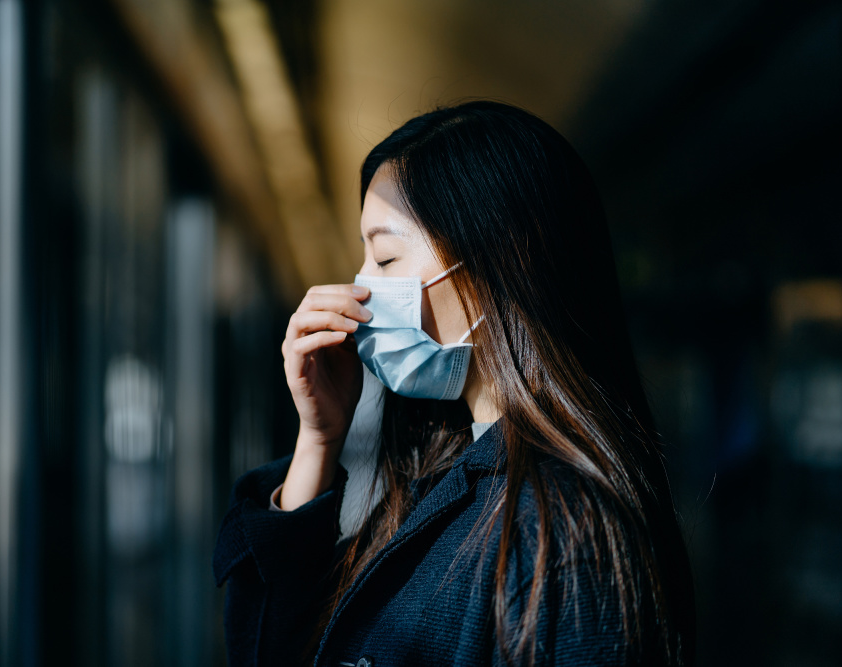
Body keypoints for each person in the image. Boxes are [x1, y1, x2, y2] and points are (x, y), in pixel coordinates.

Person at [212, 100, 696, 666]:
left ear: (498, 263)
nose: (360, 286)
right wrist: (318, 440)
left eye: (386, 257)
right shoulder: (443, 482)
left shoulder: (563, 542)